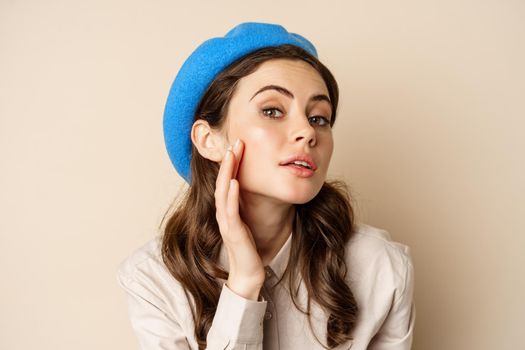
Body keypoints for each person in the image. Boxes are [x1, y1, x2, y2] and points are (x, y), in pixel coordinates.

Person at [116, 22, 415, 350]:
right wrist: (243, 285)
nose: (307, 132)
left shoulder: (380, 268)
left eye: (319, 117)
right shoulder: (155, 278)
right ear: (209, 140)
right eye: (272, 110)